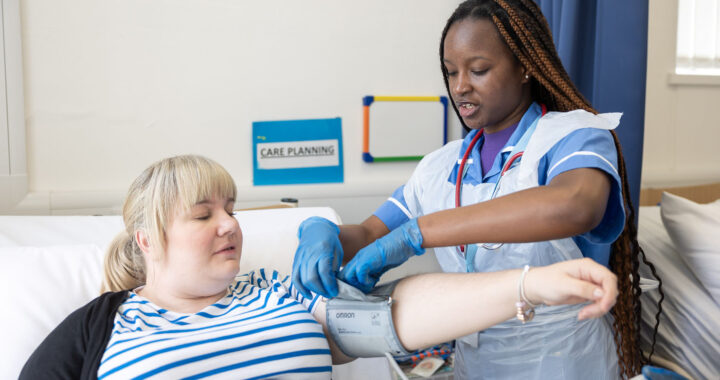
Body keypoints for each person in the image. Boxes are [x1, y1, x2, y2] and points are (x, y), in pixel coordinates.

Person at [292, 1, 663, 379]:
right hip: (475, 366)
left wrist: (420, 233)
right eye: (451, 72)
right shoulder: (440, 166)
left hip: (562, 361)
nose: (460, 86)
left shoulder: (573, 136)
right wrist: (323, 233)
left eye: (479, 70)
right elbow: (370, 234)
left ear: (525, 66)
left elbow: (575, 205)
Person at [19, 155, 618, 380]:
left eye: (231, 209)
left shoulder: (277, 292)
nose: (230, 224)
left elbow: (399, 313)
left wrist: (529, 283)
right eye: (204, 215)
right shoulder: (102, 327)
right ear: (147, 239)